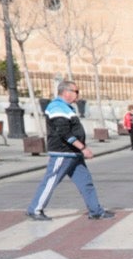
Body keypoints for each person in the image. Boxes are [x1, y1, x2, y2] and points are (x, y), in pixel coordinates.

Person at [26, 81, 114, 221]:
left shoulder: (66, 108)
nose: (78, 95)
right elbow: (64, 133)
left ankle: (95, 211)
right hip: (63, 152)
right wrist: (83, 148)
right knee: (51, 181)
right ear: (66, 92)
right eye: (76, 91)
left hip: (73, 154)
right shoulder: (57, 107)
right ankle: (35, 209)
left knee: (85, 182)